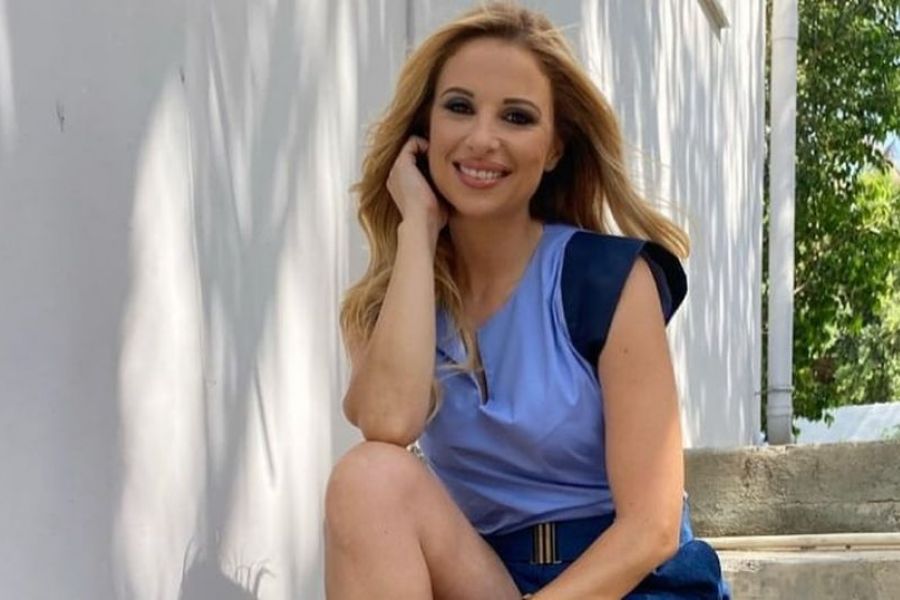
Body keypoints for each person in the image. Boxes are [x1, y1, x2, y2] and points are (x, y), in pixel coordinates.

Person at [325, 3, 729, 598]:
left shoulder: (606, 280)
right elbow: (388, 424)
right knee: (367, 478)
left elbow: (651, 529)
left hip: (630, 582)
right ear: (424, 130)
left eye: (516, 117)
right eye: (459, 107)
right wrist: (418, 229)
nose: (481, 139)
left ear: (555, 147)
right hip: (487, 576)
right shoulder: (396, 301)